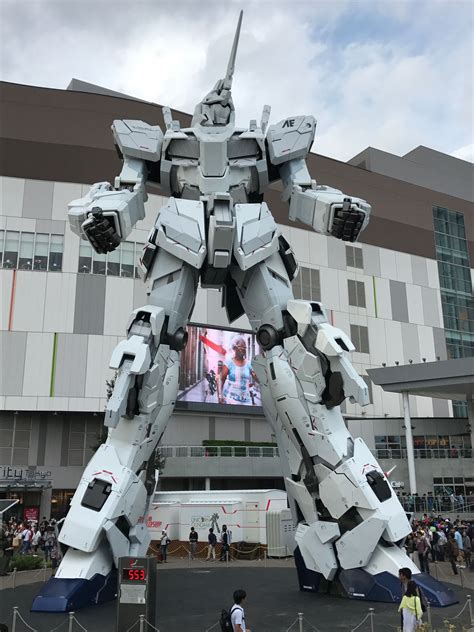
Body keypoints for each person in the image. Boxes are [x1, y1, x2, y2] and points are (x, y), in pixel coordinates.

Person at [217, 336, 257, 405]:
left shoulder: (249, 364)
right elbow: (220, 379)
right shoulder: (229, 363)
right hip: (231, 400)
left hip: (246, 401)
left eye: (244, 347)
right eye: (240, 347)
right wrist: (220, 396)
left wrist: (257, 375)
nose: (243, 349)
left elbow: (259, 379)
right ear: (234, 348)